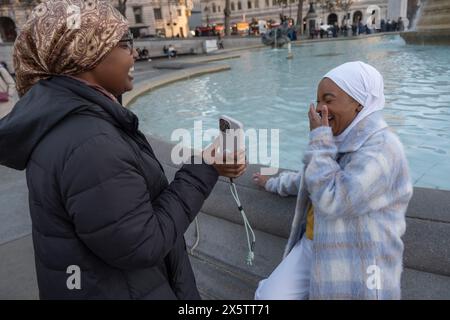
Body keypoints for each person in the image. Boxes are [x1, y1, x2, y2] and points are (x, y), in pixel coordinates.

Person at [0, 0, 246, 300]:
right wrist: (205, 169)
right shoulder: (90, 143)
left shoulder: (70, 121)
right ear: (87, 52)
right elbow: (142, 244)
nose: (135, 52)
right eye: (125, 42)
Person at [252, 61, 413, 300]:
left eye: (328, 100)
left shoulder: (383, 149)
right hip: (313, 242)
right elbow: (309, 178)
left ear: (359, 103)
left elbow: (334, 200)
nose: (319, 108)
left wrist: (319, 139)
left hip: (356, 254)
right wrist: (272, 183)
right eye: (318, 100)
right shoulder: (338, 138)